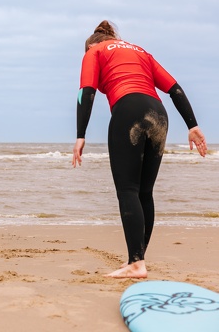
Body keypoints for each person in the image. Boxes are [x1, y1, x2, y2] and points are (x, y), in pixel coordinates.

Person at [72, 20, 207, 278]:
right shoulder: (140, 51)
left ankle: (136, 263)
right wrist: (192, 125)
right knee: (145, 192)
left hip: (129, 111)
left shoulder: (94, 51)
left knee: (128, 190)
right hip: (159, 114)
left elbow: (86, 92)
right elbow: (174, 89)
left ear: (92, 44)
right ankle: (137, 259)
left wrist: (80, 135)